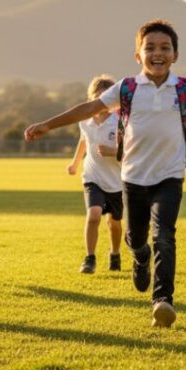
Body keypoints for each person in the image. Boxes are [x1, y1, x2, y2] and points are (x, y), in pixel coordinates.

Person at [24, 19, 186, 327]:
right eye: (150, 48)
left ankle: (162, 300)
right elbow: (89, 108)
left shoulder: (184, 88)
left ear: (176, 54)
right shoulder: (128, 88)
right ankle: (140, 258)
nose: (158, 53)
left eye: (165, 48)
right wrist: (48, 124)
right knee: (136, 238)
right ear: (138, 55)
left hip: (170, 177)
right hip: (133, 178)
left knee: (165, 237)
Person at [67, 75, 123, 274]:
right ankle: (90, 258)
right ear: (91, 99)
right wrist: (75, 164)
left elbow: (132, 154)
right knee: (94, 216)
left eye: (107, 97)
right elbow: (84, 141)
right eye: (98, 97)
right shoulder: (85, 121)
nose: (102, 102)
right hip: (93, 177)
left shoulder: (120, 121)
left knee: (114, 224)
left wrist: (112, 151)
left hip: (117, 182)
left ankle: (115, 253)